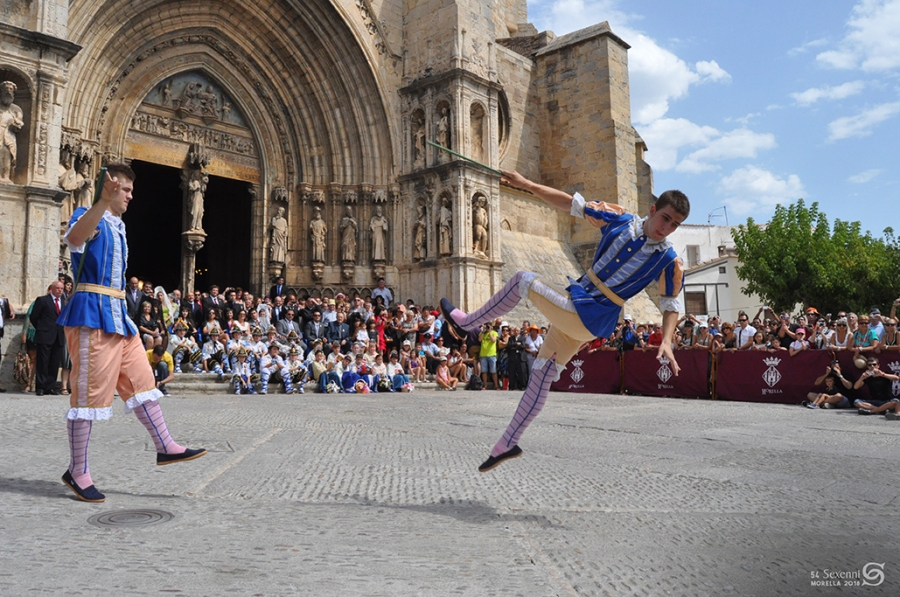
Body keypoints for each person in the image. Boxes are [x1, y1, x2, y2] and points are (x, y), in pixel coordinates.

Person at [441, 170, 688, 472]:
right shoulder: (621, 219)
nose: (668, 228)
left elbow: (671, 304)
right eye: (666, 218)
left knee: (522, 280)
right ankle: (507, 443)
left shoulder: (669, 259)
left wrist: (665, 340)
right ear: (652, 210)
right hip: (581, 305)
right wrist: (527, 185)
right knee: (542, 374)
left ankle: (468, 323)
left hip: (591, 312)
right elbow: (572, 203)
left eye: (675, 224)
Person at [57, 163, 206, 503]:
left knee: (143, 381)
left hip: (118, 316)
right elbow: (76, 238)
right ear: (109, 188)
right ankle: (77, 471)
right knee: (89, 395)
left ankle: (165, 446)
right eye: (124, 189)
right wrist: (101, 200)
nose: (130, 196)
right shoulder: (88, 213)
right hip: (92, 313)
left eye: (130, 191)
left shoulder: (119, 226)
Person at [30, 280, 66, 396]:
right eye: (58, 288)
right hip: (45, 335)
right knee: (43, 362)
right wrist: (42, 328)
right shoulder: (43, 300)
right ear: (52, 288)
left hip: (59, 336)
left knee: (54, 363)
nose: (60, 290)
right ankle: (40, 387)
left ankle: (49, 387)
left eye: (62, 288)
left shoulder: (64, 302)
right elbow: (34, 317)